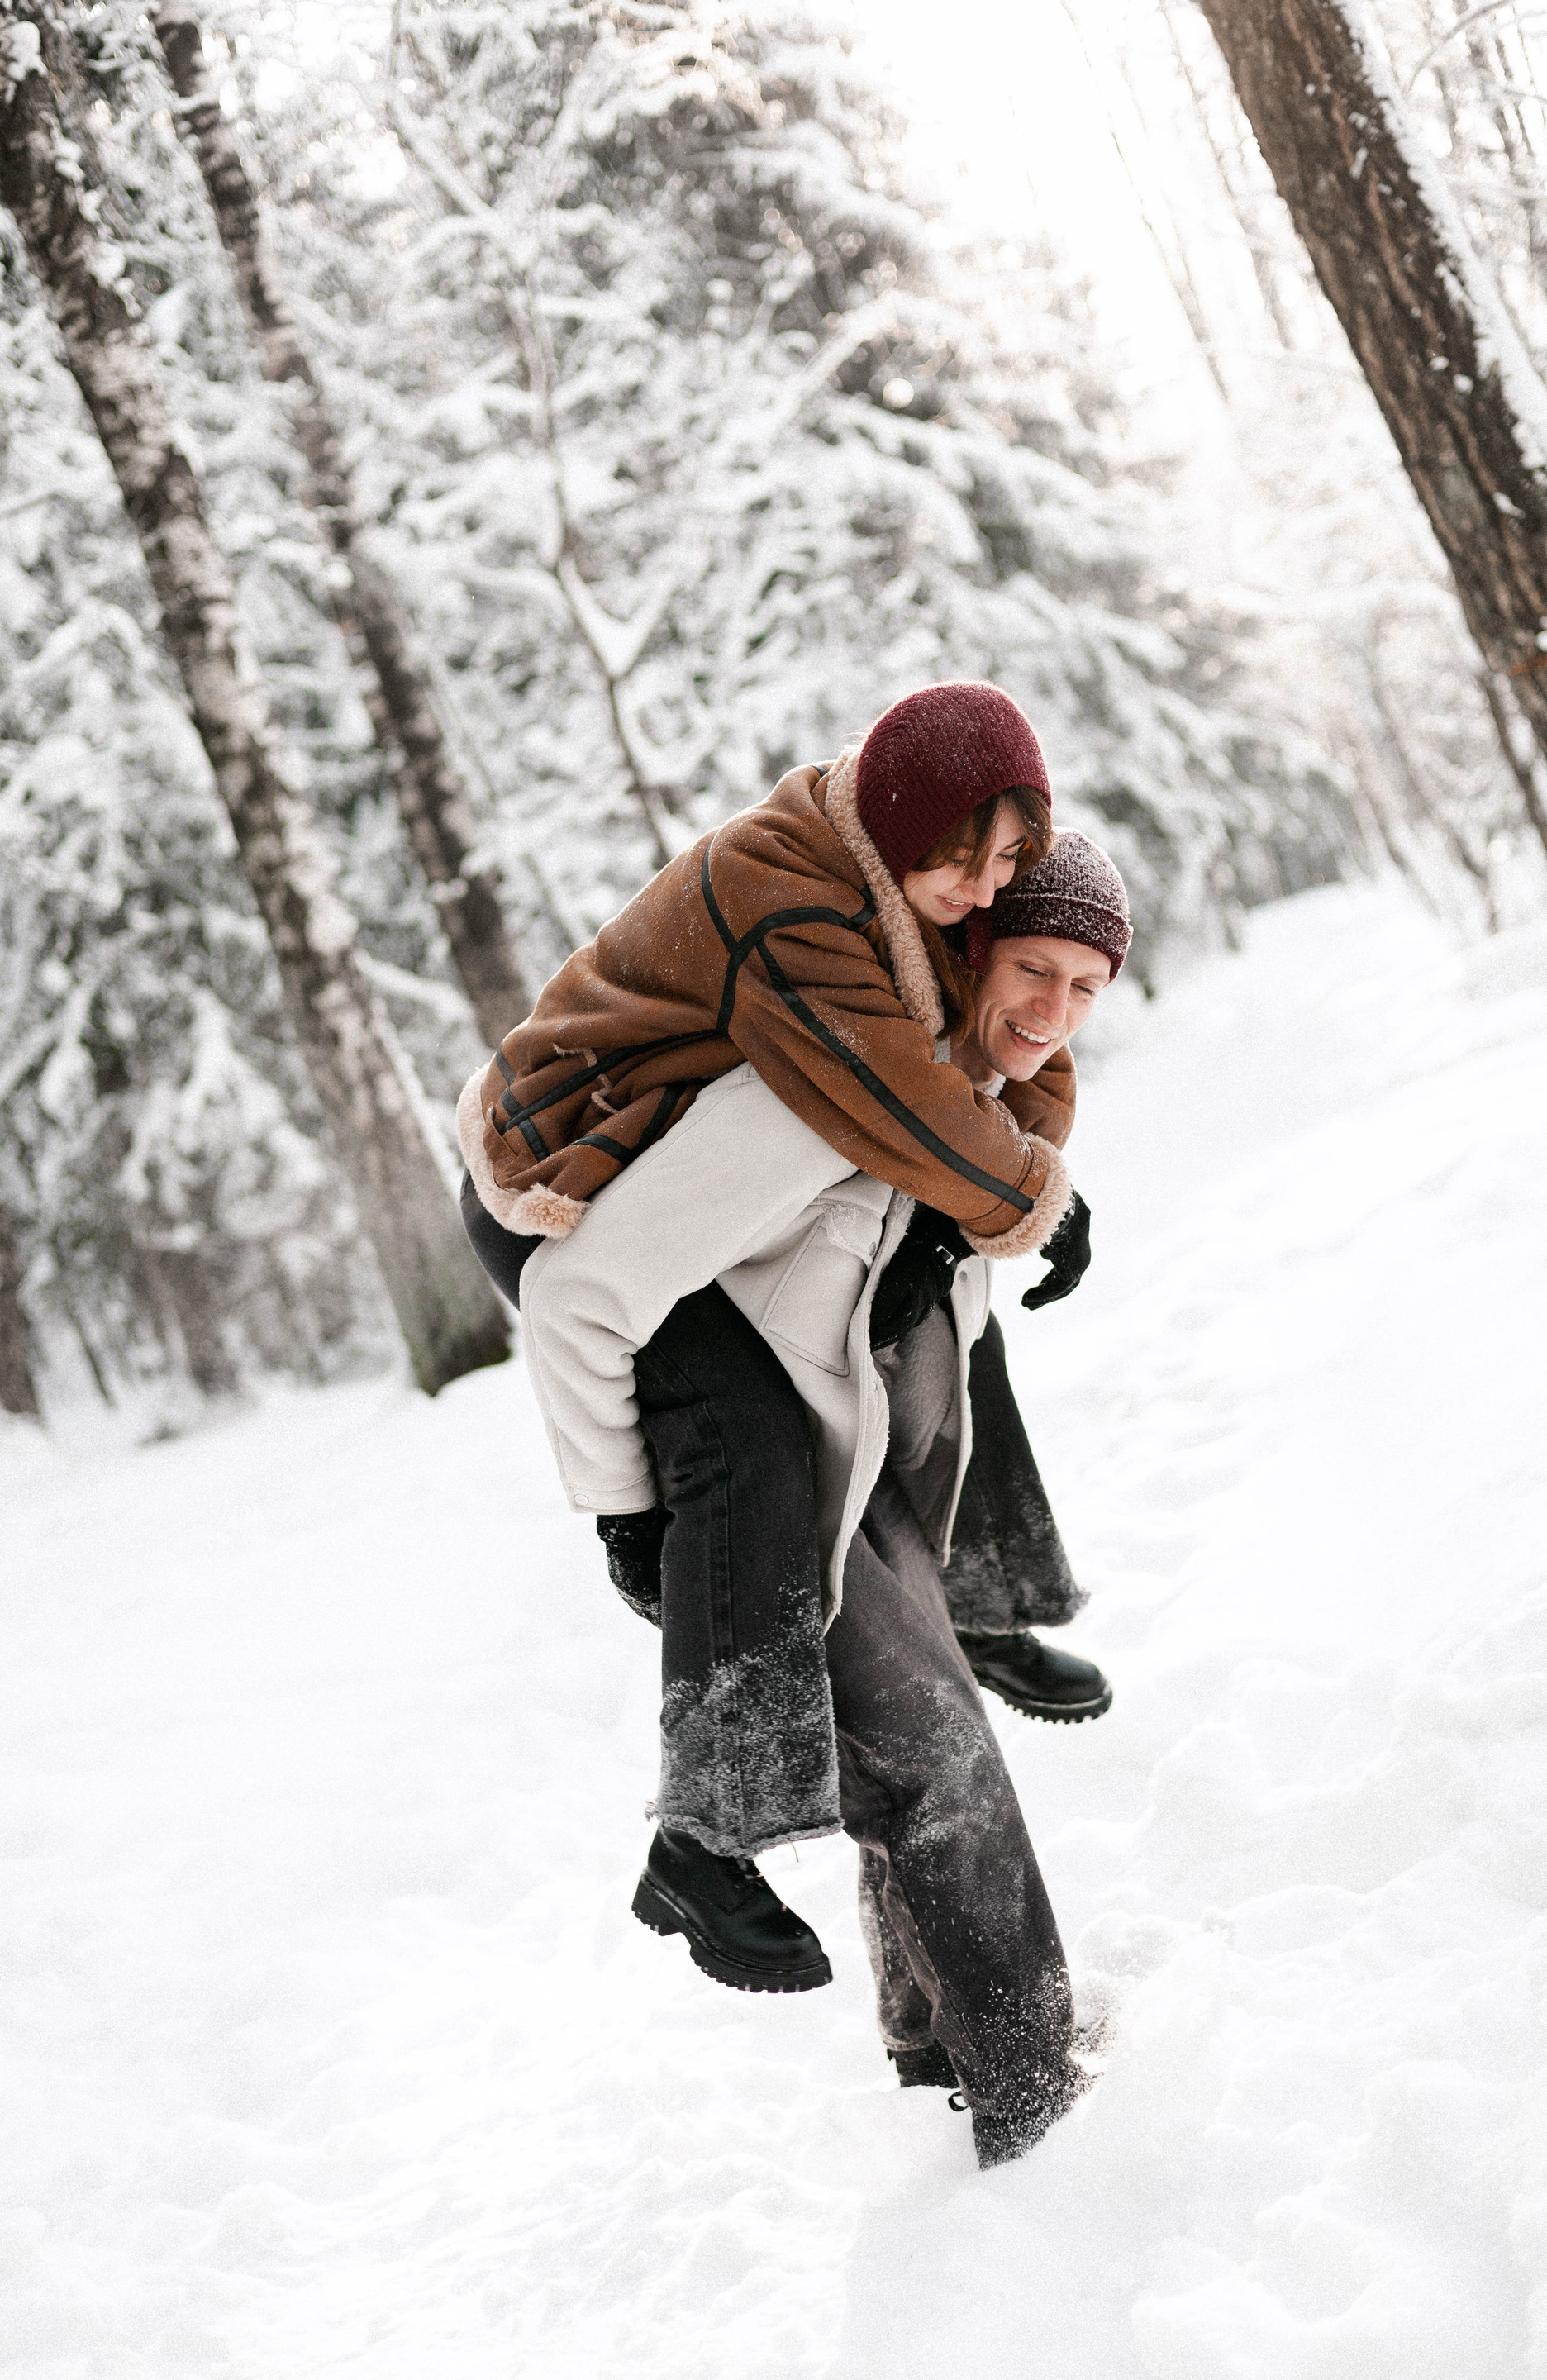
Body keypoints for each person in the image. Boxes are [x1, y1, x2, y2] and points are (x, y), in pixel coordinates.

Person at [458, 685, 1131, 2163]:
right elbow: (581, 1300)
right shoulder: (816, 1082)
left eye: (1084, 987)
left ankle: (946, 2053)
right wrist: (634, 1518)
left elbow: (939, 1289)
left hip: (843, 1463)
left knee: (926, 1749)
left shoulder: (955, 1083)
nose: (1051, 1012)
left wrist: (1033, 1191)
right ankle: (1037, 2114)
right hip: (724, 1427)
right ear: (956, 945)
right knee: (939, 1763)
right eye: (1028, 970)